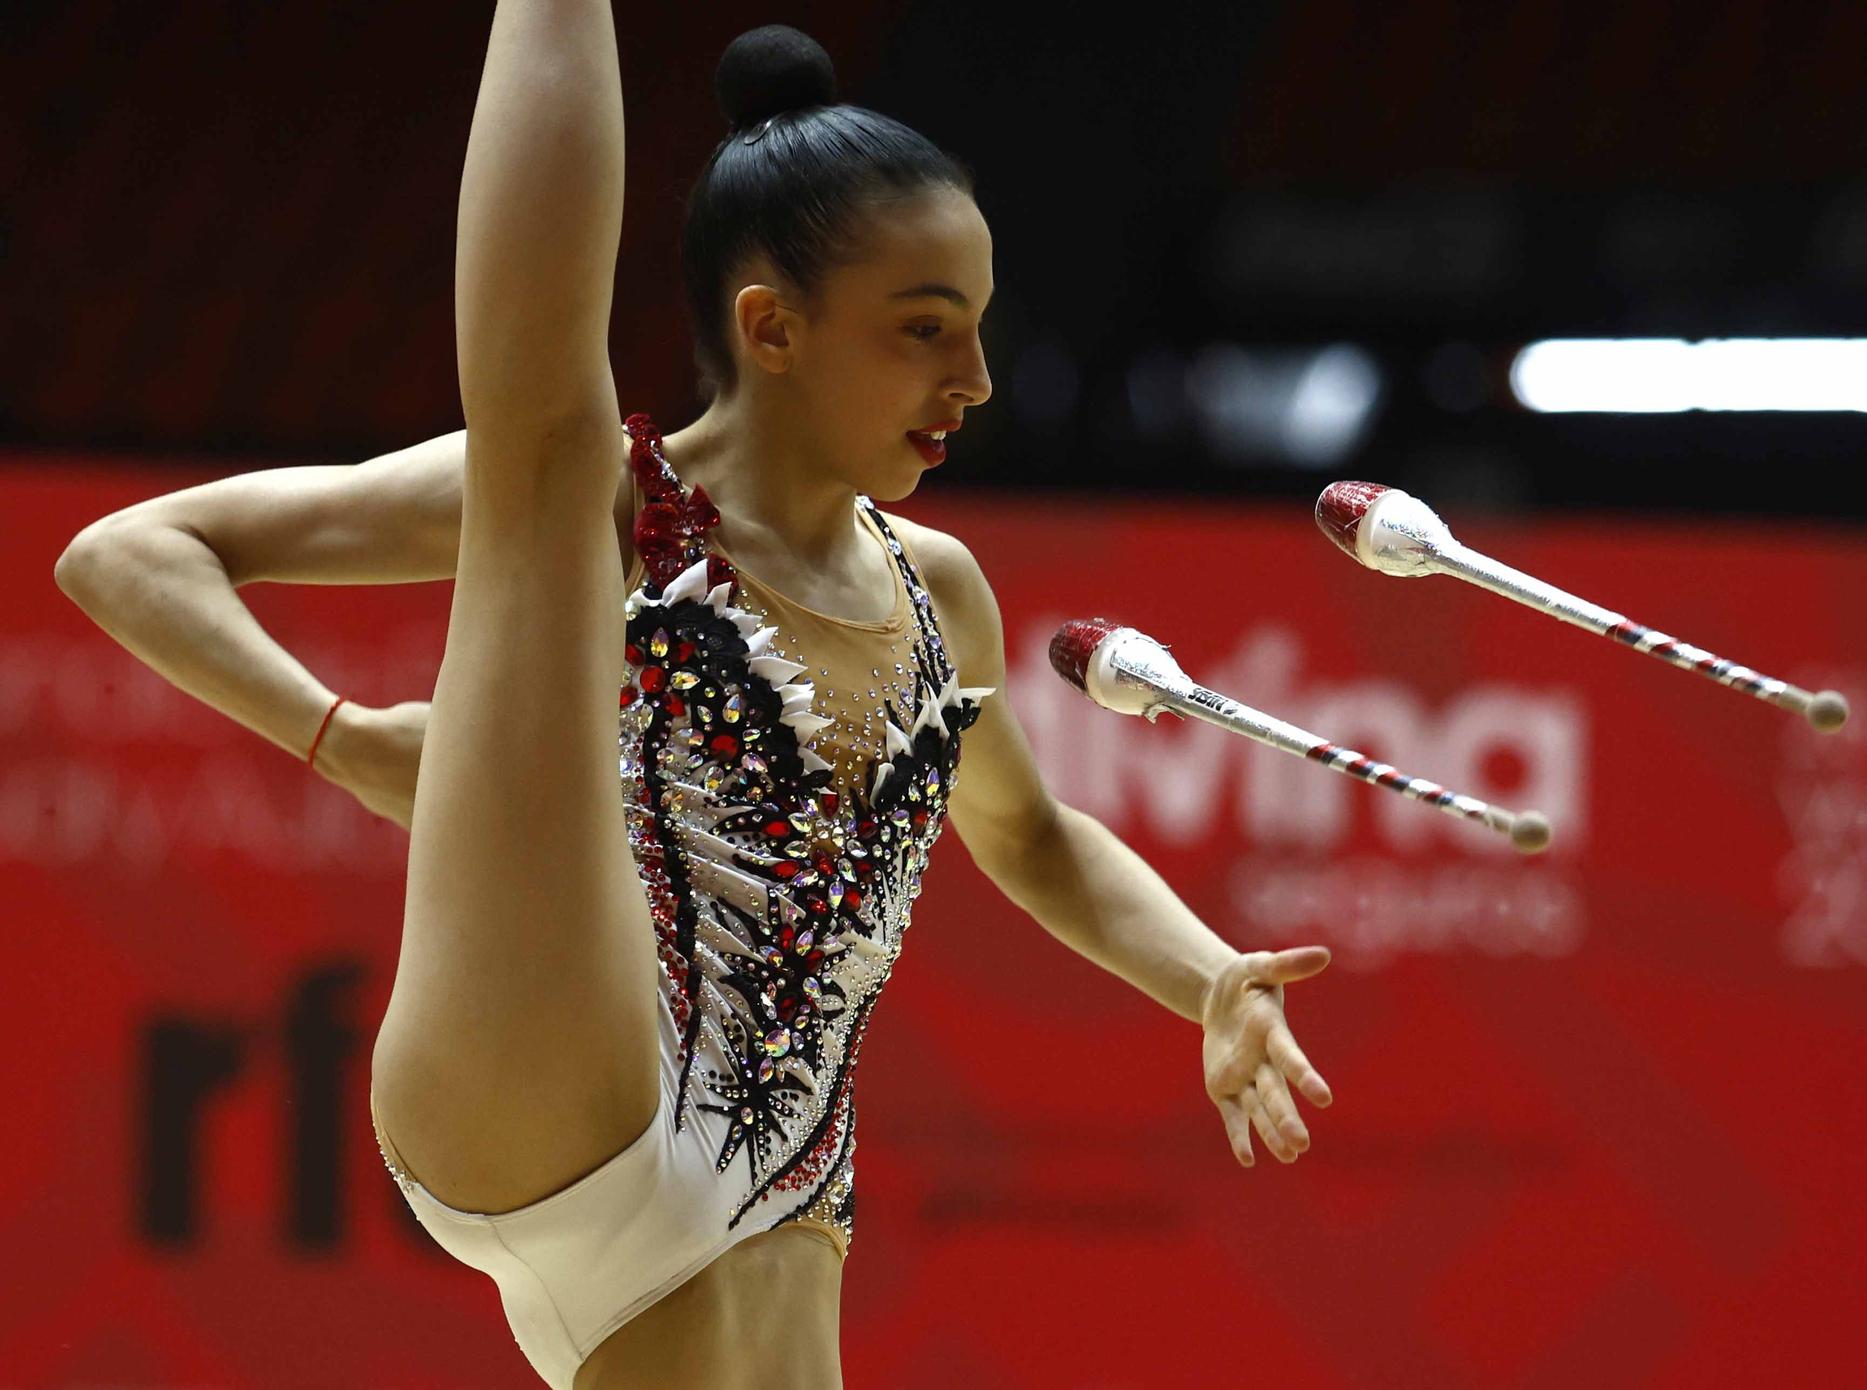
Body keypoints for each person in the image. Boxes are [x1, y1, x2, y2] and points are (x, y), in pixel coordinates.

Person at [54, 17, 1335, 1389]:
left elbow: (1032, 838)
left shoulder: (938, 593)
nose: (970, 379)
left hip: (774, 1196)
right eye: (923, 330)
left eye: (977, 328)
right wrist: (348, 740)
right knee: (549, 464)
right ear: (772, 326)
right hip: (558, 1086)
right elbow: (128, 556)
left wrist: (1206, 975)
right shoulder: (617, 494)